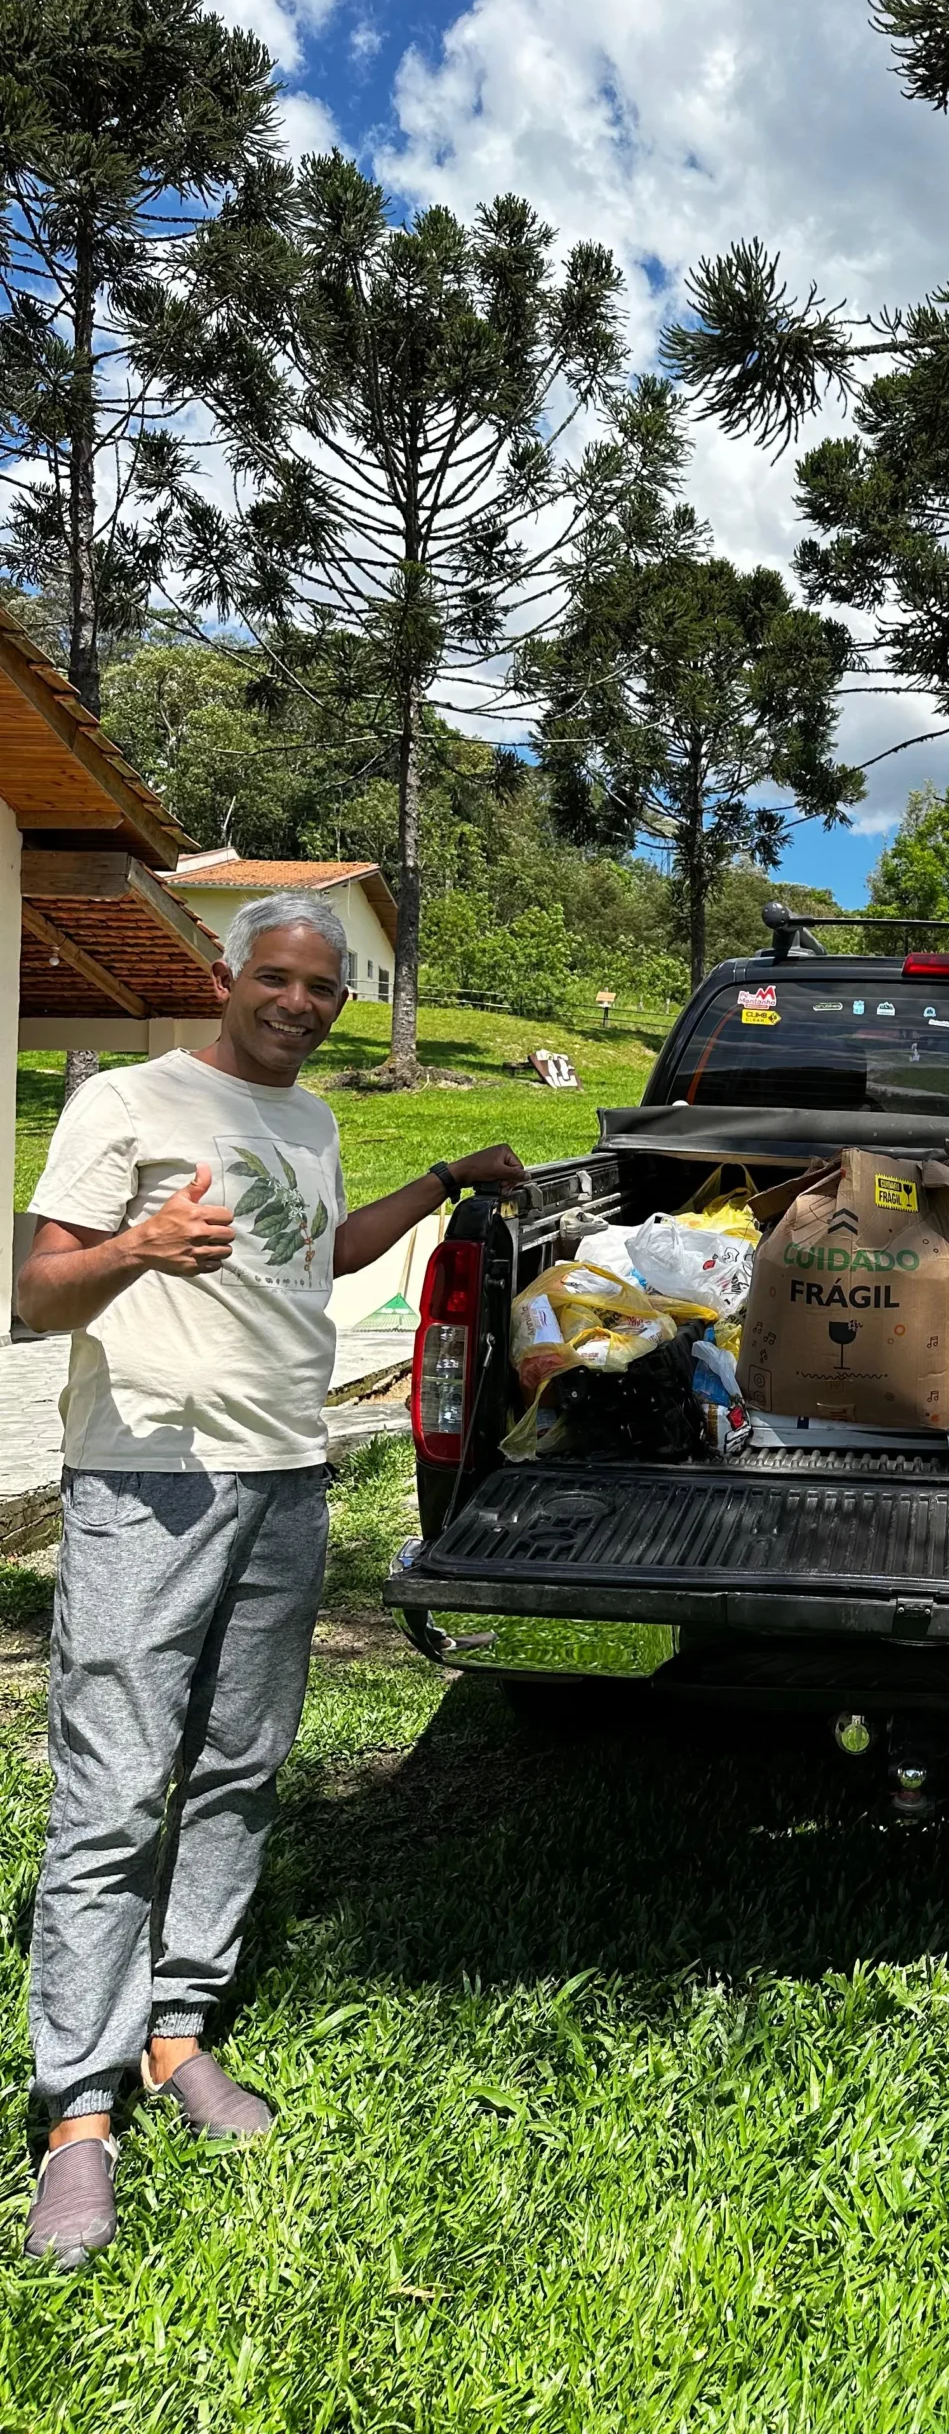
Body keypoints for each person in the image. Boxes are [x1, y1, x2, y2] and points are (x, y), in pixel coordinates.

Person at [15, 892, 527, 2265]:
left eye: (323, 990)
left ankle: (181, 2032)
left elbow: (319, 1261)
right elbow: (33, 1292)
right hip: (148, 1482)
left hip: (287, 1477)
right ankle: (76, 2111)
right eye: (279, 979)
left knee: (242, 1765)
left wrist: (445, 1189)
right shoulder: (127, 1105)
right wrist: (134, 1250)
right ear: (228, 977)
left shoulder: (307, 1122)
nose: (299, 1004)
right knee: (117, 1784)